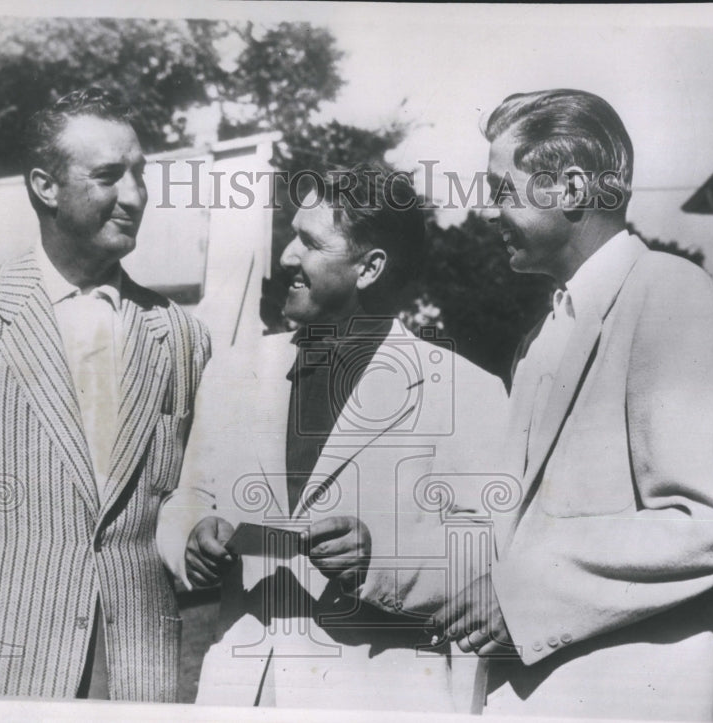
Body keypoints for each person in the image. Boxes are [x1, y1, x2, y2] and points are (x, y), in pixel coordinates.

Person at [431, 89, 713, 719]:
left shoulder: (669, 291)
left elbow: (712, 522)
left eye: (502, 189)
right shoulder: (543, 332)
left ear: (570, 188)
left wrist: (525, 593)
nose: (489, 212)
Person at [156, 162, 510, 712]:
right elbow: (189, 493)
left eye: (309, 243)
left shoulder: (467, 390)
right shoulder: (233, 369)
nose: (285, 257)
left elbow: (489, 552)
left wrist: (379, 560)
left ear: (369, 268)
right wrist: (191, 536)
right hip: (239, 695)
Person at [0, 87, 211, 701]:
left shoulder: (180, 332)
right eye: (107, 176)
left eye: (140, 174)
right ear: (45, 186)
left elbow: (178, 496)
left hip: (132, 671)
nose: (136, 196)